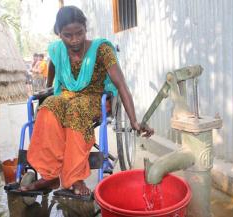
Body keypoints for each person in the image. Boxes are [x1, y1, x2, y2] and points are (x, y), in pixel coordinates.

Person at [20, 6, 154, 196]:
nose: (75, 40)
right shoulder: (57, 50)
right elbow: (51, 75)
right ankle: (49, 176)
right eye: (68, 35)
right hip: (65, 97)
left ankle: (74, 178)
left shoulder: (101, 49)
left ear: (85, 28)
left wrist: (134, 121)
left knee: (76, 109)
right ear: (59, 33)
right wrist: (47, 92)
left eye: (79, 33)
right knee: (48, 108)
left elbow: (121, 84)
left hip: (94, 98)